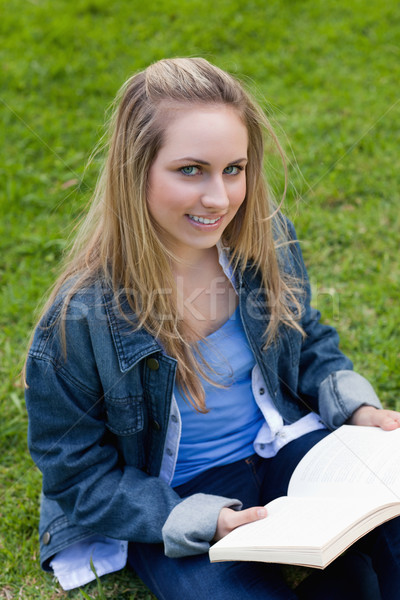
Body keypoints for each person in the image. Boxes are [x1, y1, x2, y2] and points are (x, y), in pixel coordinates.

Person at [25, 57, 400, 599]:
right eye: (190, 170)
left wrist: (356, 408)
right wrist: (204, 521)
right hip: (173, 495)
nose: (219, 199)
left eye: (234, 169)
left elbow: (307, 337)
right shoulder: (79, 318)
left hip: (282, 446)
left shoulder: (265, 241)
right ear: (137, 171)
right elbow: (75, 472)